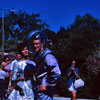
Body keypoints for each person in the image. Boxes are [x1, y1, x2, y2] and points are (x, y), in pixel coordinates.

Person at [27, 30, 61, 100]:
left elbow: (57, 73)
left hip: (45, 90)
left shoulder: (48, 56)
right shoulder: (39, 56)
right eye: (33, 44)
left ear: (42, 44)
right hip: (39, 89)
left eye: (37, 44)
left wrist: (47, 85)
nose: (35, 46)